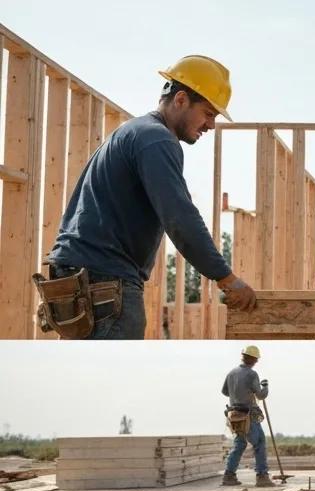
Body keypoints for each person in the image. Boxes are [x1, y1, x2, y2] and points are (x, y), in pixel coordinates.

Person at [40, 56, 256, 339]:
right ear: (181, 100)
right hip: (105, 283)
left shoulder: (131, 132)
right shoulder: (156, 139)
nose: (211, 125)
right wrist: (226, 278)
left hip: (82, 281)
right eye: (208, 113)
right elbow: (180, 218)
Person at [221, 345, 274, 487]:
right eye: (256, 359)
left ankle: (228, 476)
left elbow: (225, 392)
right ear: (253, 359)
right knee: (260, 442)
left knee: (240, 444)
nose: (256, 362)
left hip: (234, 415)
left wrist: (238, 393)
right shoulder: (252, 374)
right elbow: (260, 395)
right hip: (248, 416)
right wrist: (265, 386)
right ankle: (262, 477)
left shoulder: (231, 373)